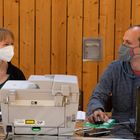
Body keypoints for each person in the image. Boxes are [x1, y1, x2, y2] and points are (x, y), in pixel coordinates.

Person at [87, 25, 140, 126]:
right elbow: (97, 95)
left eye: (128, 43)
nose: (122, 46)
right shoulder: (114, 68)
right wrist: (96, 109)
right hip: (118, 129)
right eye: (123, 41)